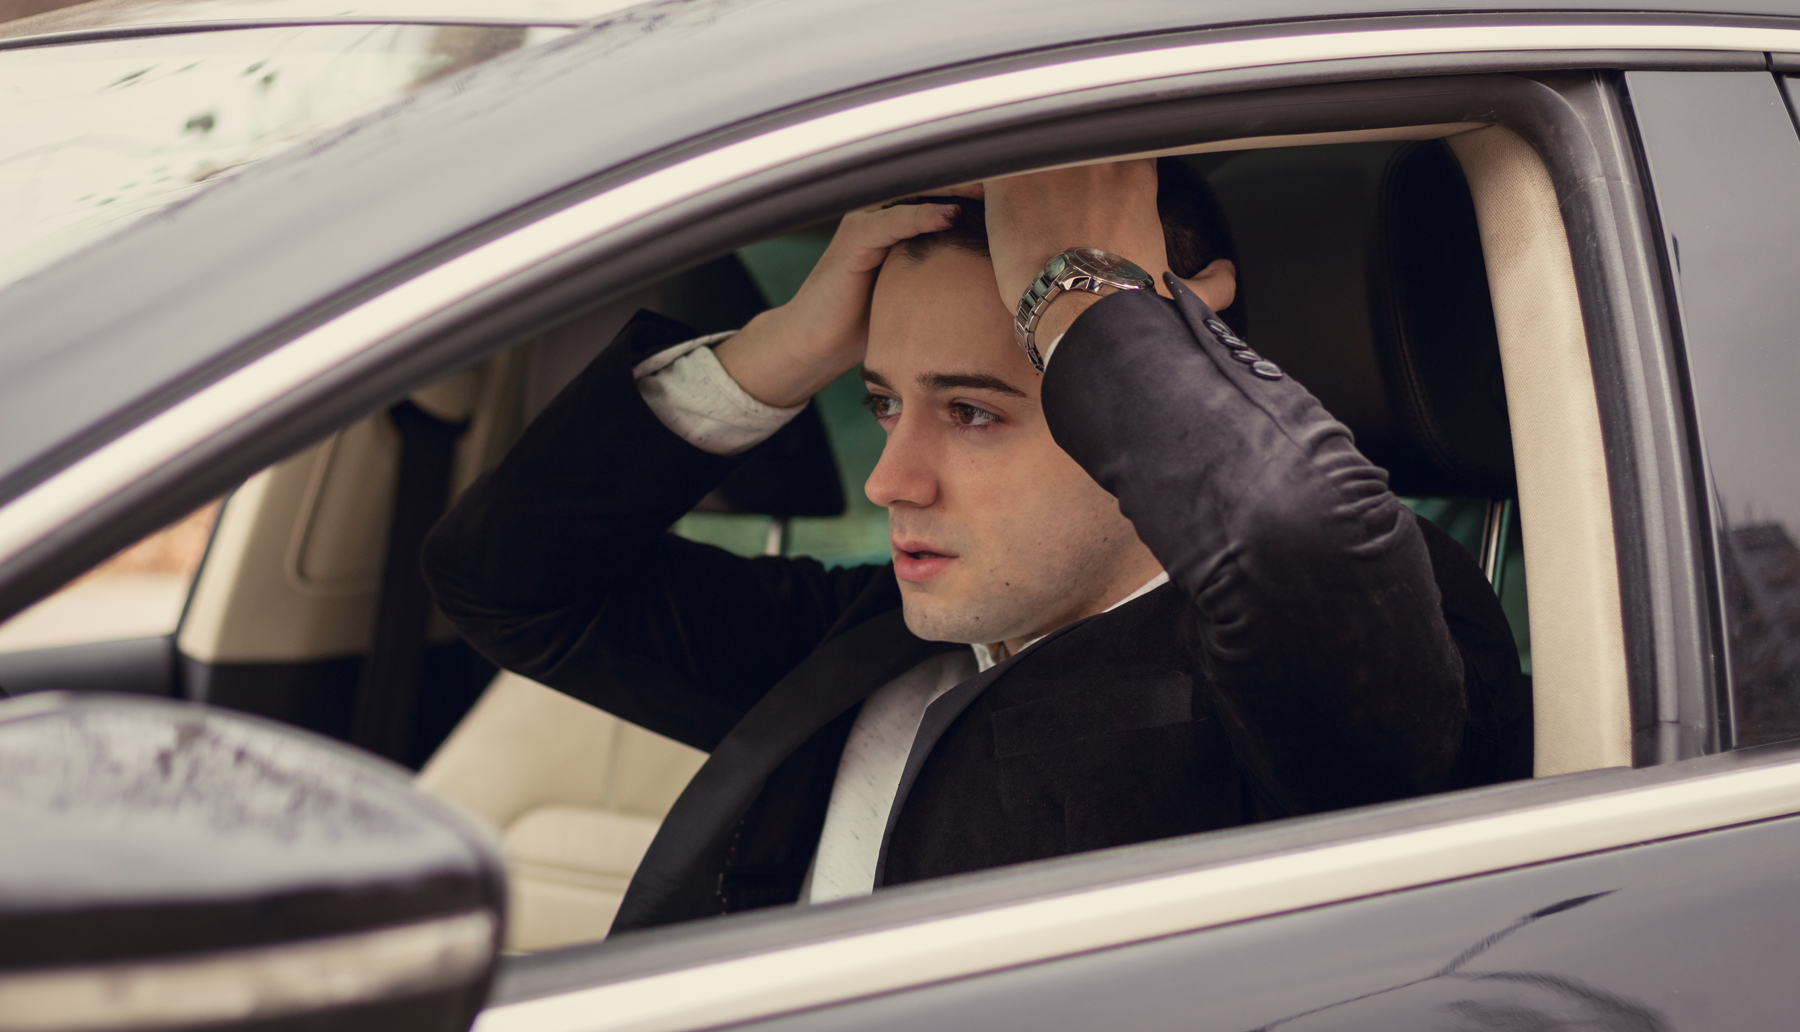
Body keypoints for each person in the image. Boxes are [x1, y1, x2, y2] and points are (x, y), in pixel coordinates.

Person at [423, 157, 1530, 935]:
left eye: (972, 412)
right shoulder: (872, 642)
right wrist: (793, 341)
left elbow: (1294, 544)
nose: (888, 478)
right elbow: (506, 581)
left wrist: (1088, 298)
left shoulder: (1327, 665)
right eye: (882, 401)